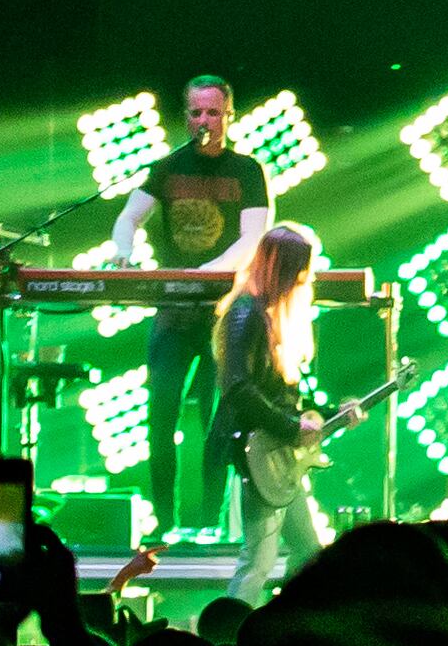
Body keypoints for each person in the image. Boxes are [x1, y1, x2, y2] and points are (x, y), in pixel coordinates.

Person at [107, 77, 272, 543]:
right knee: (160, 418)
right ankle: (165, 520)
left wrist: (212, 270)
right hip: (173, 312)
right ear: (186, 117)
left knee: (217, 421)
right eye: (197, 113)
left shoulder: (247, 171)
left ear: (229, 116)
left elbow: (253, 236)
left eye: (213, 113)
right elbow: (128, 217)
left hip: (225, 314)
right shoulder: (167, 168)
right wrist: (122, 251)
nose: (204, 121)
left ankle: (208, 521)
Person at [217, 221, 332, 604]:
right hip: (259, 453)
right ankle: (224, 639)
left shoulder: (270, 316)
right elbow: (237, 387)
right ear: (281, 271)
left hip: (280, 456)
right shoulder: (245, 314)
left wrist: (332, 412)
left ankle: (295, 625)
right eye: (299, 272)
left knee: (309, 555)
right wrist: (288, 426)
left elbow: (283, 401)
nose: (305, 280)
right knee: (258, 562)